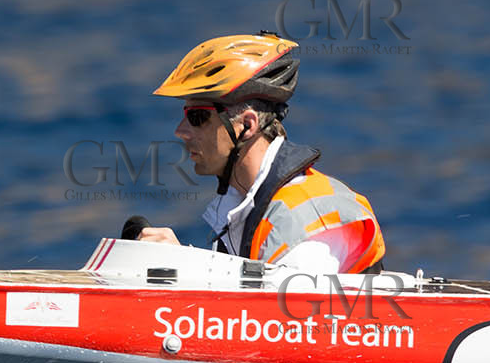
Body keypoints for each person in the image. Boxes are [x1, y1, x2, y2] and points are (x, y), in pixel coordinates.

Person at [138, 32, 386, 273]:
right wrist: (183, 261)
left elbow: (280, 302)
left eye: (197, 117)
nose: (180, 131)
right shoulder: (242, 204)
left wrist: (186, 268)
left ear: (247, 125)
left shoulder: (307, 221)